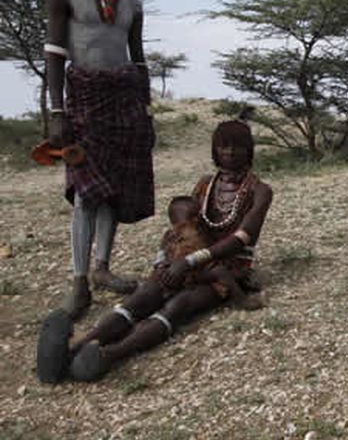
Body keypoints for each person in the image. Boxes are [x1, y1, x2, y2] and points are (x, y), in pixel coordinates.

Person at [36, 120, 273, 383]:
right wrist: (166, 261)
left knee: (180, 304)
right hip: (189, 258)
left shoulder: (260, 191)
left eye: (237, 147)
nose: (229, 152)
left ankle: (109, 356)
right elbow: (183, 230)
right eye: (223, 146)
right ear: (215, 150)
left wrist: (190, 262)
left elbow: (241, 239)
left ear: (249, 150)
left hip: (227, 267)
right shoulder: (205, 184)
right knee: (146, 293)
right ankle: (76, 346)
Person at [44, 0, 154, 319]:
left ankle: (103, 268)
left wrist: (145, 110)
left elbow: (138, 60)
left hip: (123, 100)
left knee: (112, 190)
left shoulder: (131, 4)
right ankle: (78, 282)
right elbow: (55, 53)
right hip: (84, 99)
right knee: (85, 194)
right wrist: (57, 111)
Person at [157, 195, 257, 309]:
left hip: (182, 273)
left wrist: (160, 267)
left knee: (228, 271)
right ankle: (241, 300)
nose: (197, 219)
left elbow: (160, 255)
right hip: (189, 274)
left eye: (198, 215)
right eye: (193, 217)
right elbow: (165, 255)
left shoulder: (171, 234)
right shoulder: (186, 233)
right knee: (220, 272)